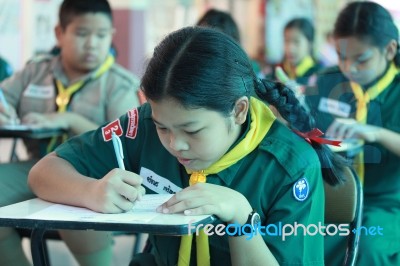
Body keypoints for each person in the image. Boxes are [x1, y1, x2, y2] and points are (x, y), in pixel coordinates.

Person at [29, 26, 348, 266]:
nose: (174, 143)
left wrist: (242, 219)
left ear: (238, 111)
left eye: (192, 130)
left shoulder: (290, 165)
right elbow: (45, 171)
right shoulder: (144, 125)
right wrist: (91, 191)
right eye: (163, 127)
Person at [0, 0, 140, 265]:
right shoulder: (34, 72)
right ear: (59, 33)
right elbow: (3, 97)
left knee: (74, 209)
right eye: (82, 34)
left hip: (95, 177)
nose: (92, 44)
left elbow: (123, 145)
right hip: (36, 169)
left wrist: (70, 120)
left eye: (101, 35)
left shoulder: (118, 85)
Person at [306, 2, 400, 265]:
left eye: (361, 59)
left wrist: (377, 133)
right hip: (328, 196)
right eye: (341, 56)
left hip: (384, 202)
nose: (349, 68)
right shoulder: (327, 82)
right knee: (297, 238)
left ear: (390, 50)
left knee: (368, 248)